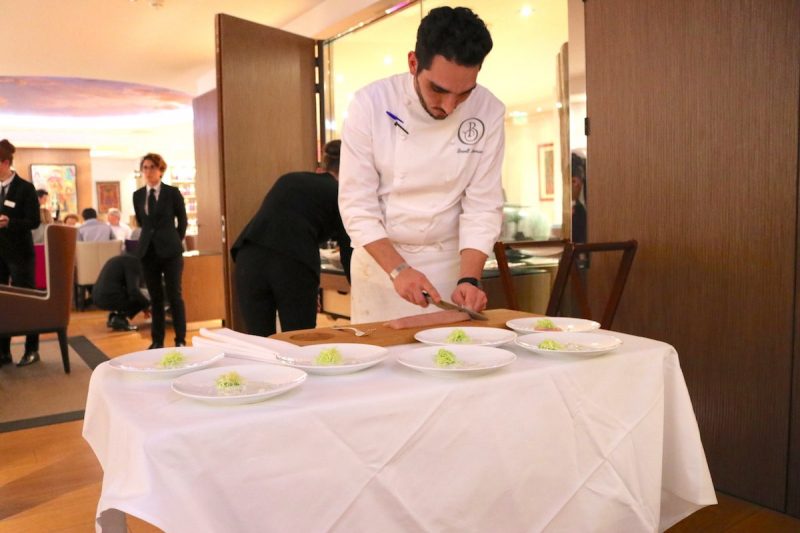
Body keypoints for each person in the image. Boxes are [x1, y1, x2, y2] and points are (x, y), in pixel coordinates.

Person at [338, 6, 504, 322]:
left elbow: (483, 205)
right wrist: (398, 269)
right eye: (438, 90)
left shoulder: (489, 111)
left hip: (447, 267)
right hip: (382, 267)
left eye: (464, 93)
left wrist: (469, 278)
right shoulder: (370, 104)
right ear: (413, 63)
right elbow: (357, 206)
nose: (449, 106)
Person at [231, 140, 352, 337]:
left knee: (259, 343)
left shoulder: (289, 179)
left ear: (320, 168)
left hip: (248, 258)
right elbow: (348, 250)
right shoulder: (343, 195)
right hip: (292, 263)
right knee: (299, 339)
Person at [133, 153, 187, 349]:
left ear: (161, 170)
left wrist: (173, 240)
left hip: (171, 252)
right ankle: (157, 341)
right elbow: (142, 222)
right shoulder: (138, 195)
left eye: (152, 167)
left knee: (174, 296)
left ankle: (180, 339)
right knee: (155, 298)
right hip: (148, 252)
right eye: (145, 168)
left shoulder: (172, 193)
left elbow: (182, 221)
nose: (148, 171)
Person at [0, 139, 42, 367]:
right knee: (2, 304)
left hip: (20, 254)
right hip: (0, 254)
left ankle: (32, 349)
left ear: (5, 162)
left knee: (27, 302)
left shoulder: (25, 188)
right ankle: (3, 352)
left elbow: (34, 221)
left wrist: (10, 222)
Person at [93, 253, 150, 332]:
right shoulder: (135, 263)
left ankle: (115, 317)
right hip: (108, 298)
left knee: (140, 295)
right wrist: (147, 305)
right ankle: (119, 318)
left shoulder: (123, 259)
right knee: (144, 297)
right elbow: (133, 290)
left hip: (96, 296)